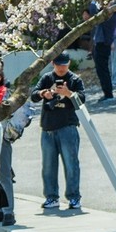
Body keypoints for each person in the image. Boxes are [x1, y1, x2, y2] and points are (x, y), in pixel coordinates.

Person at [30, 52, 86, 210]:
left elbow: (82, 100)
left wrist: (67, 93)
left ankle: (74, 197)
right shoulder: (47, 78)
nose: (62, 68)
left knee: (71, 164)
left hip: (68, 127)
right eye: (59, 64)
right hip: (47, 128)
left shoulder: (75, 80)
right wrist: (44, 93)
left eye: (65, 64)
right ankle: (51, 197)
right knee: (48, 165)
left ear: (69, 64)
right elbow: (33, 95)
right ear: (53, 63)